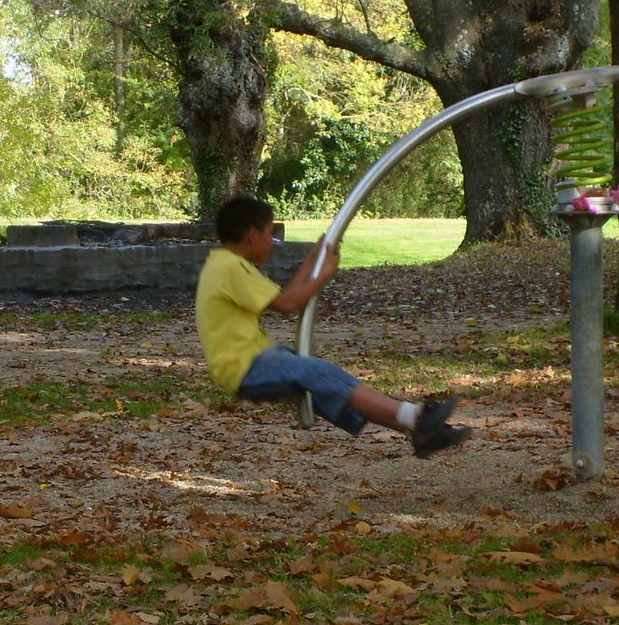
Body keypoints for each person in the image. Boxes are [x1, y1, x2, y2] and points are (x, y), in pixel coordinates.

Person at [195, 195, 471, 457]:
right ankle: (417, 418)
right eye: (270, 233)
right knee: (322, 373)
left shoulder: (225, 264)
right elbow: (289, 304)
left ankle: (421, 431)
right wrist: (325, 274)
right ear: (252, 235)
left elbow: (283, 295)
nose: (272, 241)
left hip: (254, 359)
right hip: (245, 366)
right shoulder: (231, 268)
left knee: (331, 386)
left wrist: (313, 262)